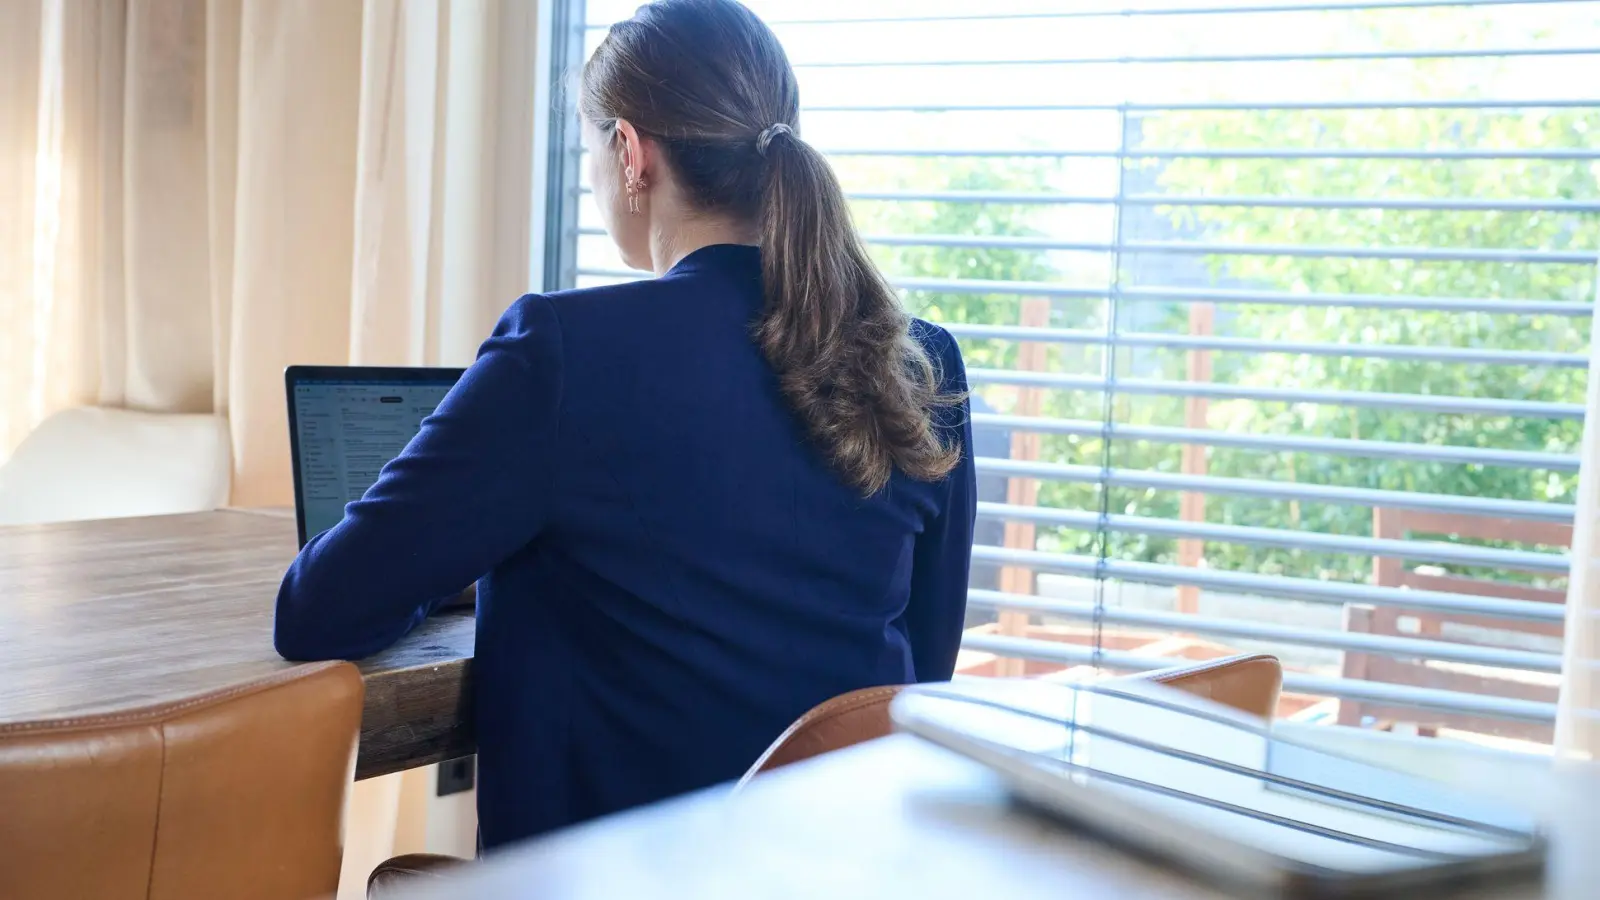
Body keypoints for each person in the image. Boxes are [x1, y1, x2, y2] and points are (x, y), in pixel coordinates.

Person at [273, 0, 975, 851]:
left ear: (631, 153)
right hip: (840, 870)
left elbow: (318, 612)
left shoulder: (565, 351)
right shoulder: (923, 363)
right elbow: (920, 672)